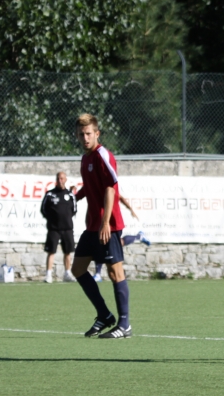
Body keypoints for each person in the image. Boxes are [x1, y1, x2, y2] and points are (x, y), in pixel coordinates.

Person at [70, 114, 132, 339]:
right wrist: (74, 197)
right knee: (77, 269)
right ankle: (105, 315)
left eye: (89, 134)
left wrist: (106, 222)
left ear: (97, 133)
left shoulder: (103, 155)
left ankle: (124, 324)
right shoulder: (85, 158)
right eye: (81, 134)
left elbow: (110, 188)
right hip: (92, 225)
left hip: (109, 224)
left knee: (115, 273)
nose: (85, 138)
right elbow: (89, 187)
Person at [92, 195, 149, 282]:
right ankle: (139, 236)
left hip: (110, 224)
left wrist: (131, 209)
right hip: (101, 222)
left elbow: (120, 197)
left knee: (103, 245)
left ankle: (98, 274)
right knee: (101, 246)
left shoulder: (110, 190)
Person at [40, 171, 77, 283]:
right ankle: (48, 275)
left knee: (68, 252)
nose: (60, 180)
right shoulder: (50, 194)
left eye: (62, 178)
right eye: (58, 178)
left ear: (65, 180)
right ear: (56, 180)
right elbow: (43, 209)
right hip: (53, 229)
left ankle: (67, 274)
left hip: (67, 228)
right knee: (51, 251)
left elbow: (74, 210)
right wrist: (52, 219)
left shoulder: (70, 195)